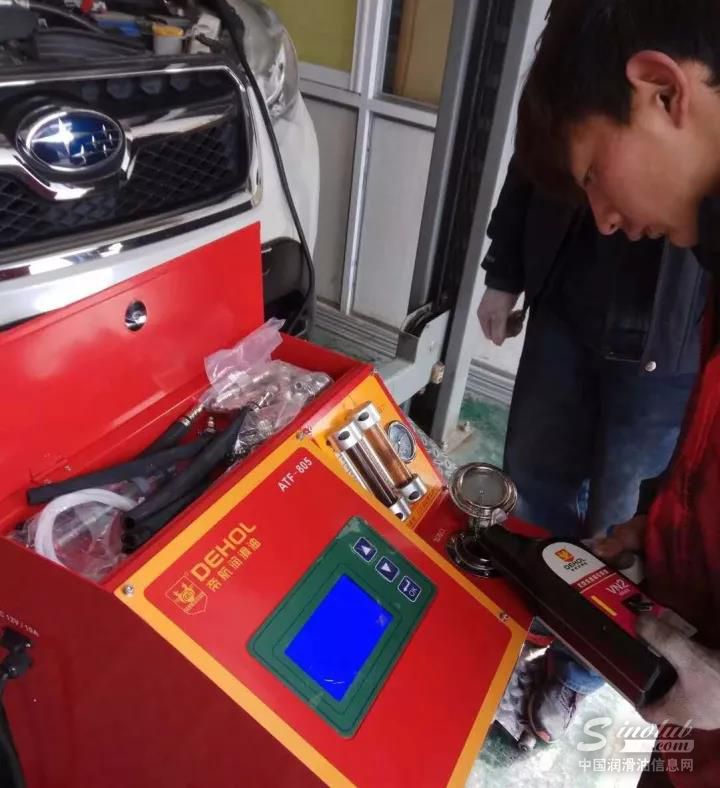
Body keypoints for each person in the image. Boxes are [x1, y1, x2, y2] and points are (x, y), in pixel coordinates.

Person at [515, 0, 720, 783]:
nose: (601, 218)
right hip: (690, 726)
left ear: (662, 92)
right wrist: (663, 529)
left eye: (595, 175)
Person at [477, 165, 705, 744]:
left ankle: (578, 669)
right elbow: (541, 148)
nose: (610, 215)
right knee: (529, 487)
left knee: (619, 533)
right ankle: (520, 635)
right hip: (565, 303)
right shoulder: (578, 129)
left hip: (672, 347)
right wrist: (504, 269)